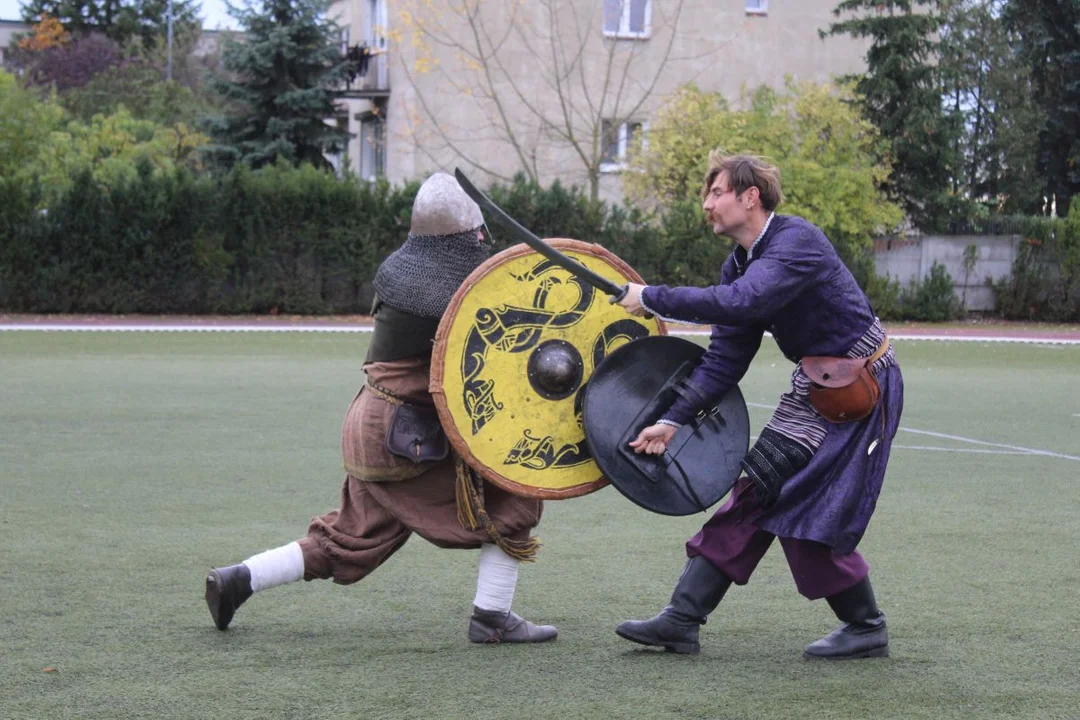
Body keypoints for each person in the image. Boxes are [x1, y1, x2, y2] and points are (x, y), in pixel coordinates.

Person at [204, 172, 557, 644]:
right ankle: (492, 617)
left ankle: (239, 578)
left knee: (350, 537)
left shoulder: (400, 270)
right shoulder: (468, 286)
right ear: (473, 233)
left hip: (372, 420)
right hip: (406, 435)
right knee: (516, 490)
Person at [614, 152, 903, 660]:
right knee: (760, 488)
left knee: (804, 502)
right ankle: (682, 620)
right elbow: (726, 357)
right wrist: (672, 420)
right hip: (818, 386)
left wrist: (654, 297)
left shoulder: (797, 243)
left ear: (751, 197)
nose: (707, 204)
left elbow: (742, 302)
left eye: (716, 192)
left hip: (864, 387)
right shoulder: (740, 264)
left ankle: (865, 626)